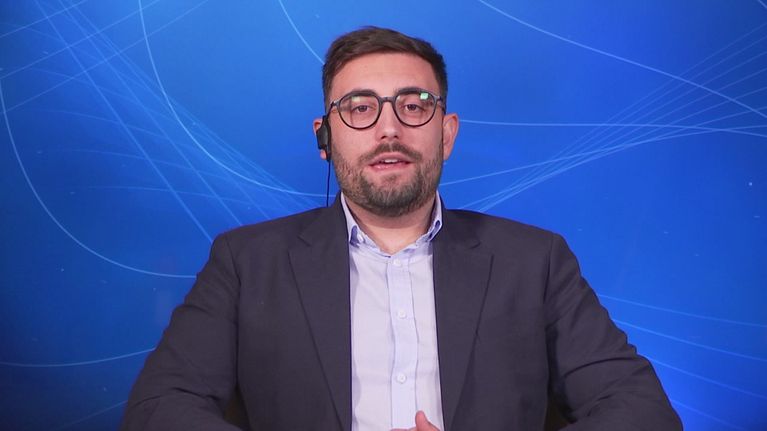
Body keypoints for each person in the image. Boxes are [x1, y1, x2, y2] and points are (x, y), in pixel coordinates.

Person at [121, 27, 681, 431]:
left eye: (414, 106)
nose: (389, 129)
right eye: (360, 108)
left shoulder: (536, 261)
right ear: (325, 137)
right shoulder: (245, 263)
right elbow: (158, 407)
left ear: (447, 133)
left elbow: (642, 409)